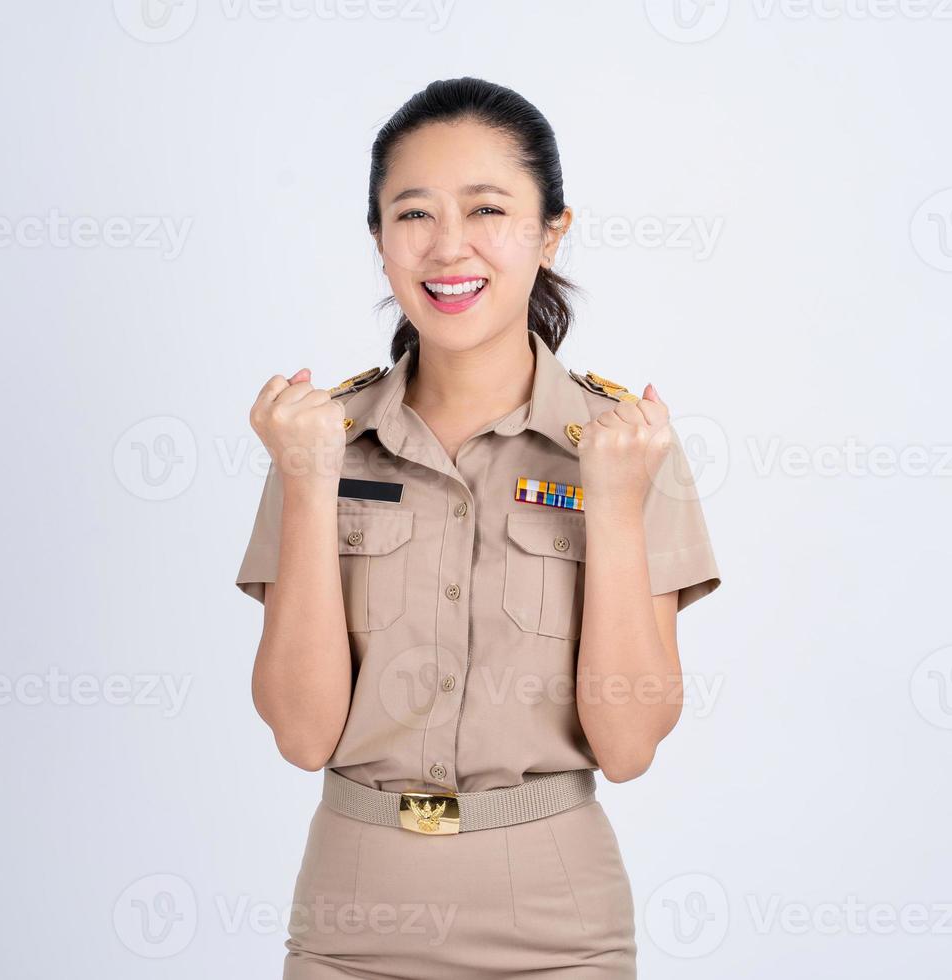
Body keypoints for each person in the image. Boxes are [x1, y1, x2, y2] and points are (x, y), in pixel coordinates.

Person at [235, 76, 721, 979]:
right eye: (413, 214)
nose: (448, 247)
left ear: (551, 231)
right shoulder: (318, 441)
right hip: (353, 916)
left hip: (557, 923)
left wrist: (611, 508)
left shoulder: (626, 446)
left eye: (488, 208)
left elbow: (630, 745)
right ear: (378, 239)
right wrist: (307, 485)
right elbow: (302, 735)